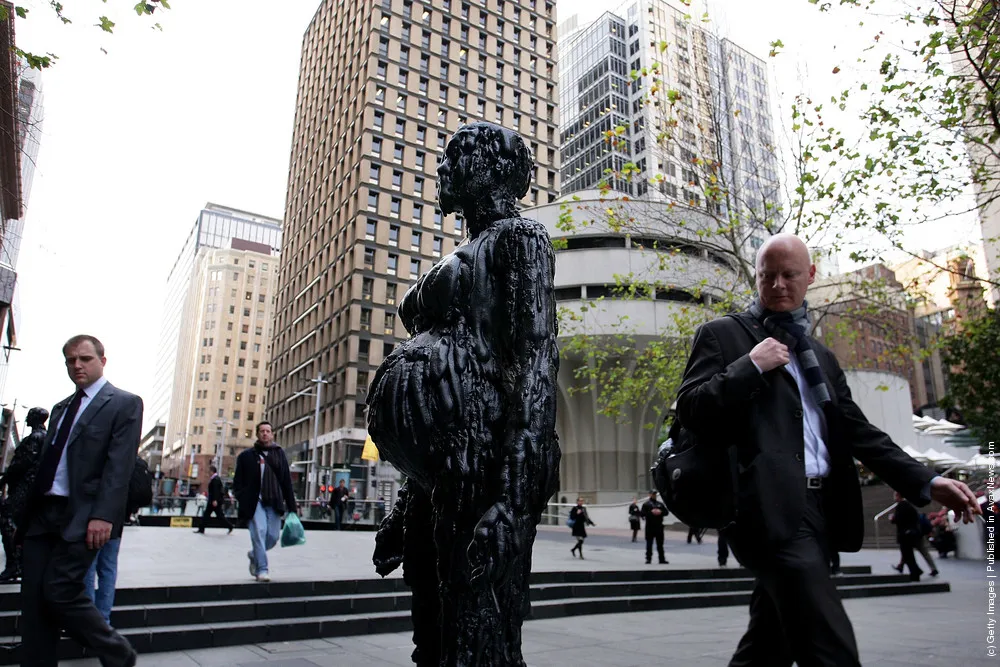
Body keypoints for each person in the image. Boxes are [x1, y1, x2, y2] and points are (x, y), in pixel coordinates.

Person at [676, 233, 980, 666]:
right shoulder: (723, 334)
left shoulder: (819, 356)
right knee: (830, 648)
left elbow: (858, 432)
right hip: (766, 509)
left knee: (769, 644)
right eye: (767, 276)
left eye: (789, 275)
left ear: (811, 276)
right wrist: (750, 366)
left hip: (822, 509)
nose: (778, 285)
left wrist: (927, 481)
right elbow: (690, 410)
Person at [367, 123, 560, 666]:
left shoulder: (520, 239)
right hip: (443, 471)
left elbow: (536, 361)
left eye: (456, 156)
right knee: (431, 621)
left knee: (475, 624)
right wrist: (406, 504)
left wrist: (510, 500)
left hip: (483, 463)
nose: (443, 168)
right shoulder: (466, 249)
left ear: (492, 169)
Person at [18, 334, 141, 666]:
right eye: (70, 360)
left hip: (83, 514)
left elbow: (119, 466)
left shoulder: (124, 403)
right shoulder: (61, 408)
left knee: (60, 589)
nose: (77, 365)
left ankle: (117, 651)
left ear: (102, 361)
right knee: (33, 602)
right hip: (42, 515)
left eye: (85, 358)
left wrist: (104, 515)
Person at [233, 421, 297, 582]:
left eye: (268, 431)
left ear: (272, 434)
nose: (265, 434)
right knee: (259, 532)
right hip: (254, 502)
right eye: (262, 431)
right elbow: (238, 482)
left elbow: (286, 481)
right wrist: (242, 497)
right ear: (257, 434)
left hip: (274, 500)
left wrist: (292, 507)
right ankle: (262, 569)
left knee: (273, 536)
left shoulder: (279, 453)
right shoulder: (246, 456)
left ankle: (254, 554)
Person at [0, 407, 48, 582]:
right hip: (33, 488)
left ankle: (14, 564)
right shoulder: (47, 437)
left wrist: (5, 479)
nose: (27, 419)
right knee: (23, 525)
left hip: (24, 487)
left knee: (7, 520)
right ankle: (21, 563)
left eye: (29, 416)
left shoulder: (35, 438)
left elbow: (21, 463)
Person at [889, 492, 924, 581]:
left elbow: (899, 519)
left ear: (898, 496)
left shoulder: (901, 506)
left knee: (907, 555)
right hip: (910, 533)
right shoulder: (908, 506)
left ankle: (915, 573)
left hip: (905, 535)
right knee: (908, 554)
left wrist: (892, 518)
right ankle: (916, 570)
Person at [195, 465, 233, 534]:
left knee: (219, 516)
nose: (208, 473)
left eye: (209, 471)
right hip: (213, 501)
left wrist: (215, 500)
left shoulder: (215, 479)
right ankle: (201, 529)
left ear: (212, 471)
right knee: (207, 515)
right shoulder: (215, 479)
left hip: (214, 501)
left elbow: (216, 491)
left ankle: (230, 526)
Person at [640, 490, 669, 565]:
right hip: (650, 527)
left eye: (655, 494)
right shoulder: (646, 504)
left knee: (660, 544)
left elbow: (666, 512)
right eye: (653, 494)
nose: (654, 495)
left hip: (659, 526)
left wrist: (660, 512)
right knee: (649, 543)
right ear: (649, 495)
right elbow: (642, 514)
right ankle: (648, 559)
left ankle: (661, 559)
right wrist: (651, 512)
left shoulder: (660, 504)